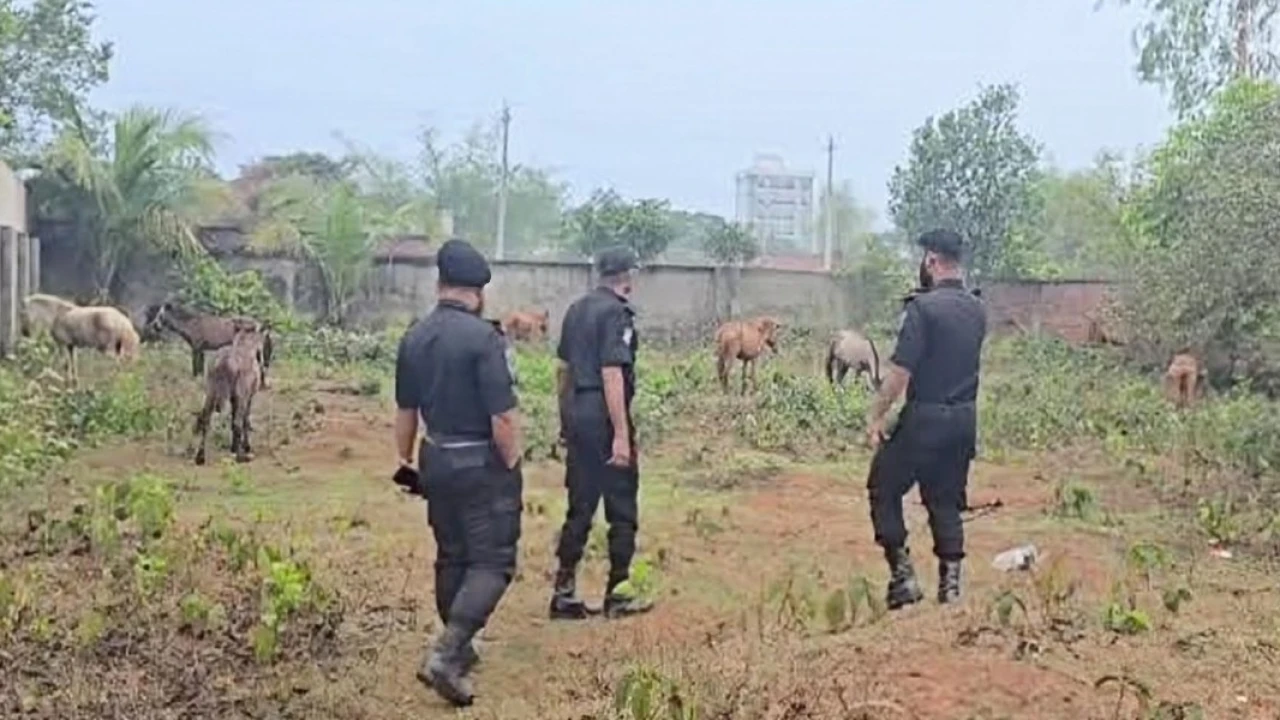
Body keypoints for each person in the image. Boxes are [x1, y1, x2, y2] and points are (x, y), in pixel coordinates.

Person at [392, 238, 523, 707]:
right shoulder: (485, 339)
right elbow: (502, 418)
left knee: (452, 555)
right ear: (479, 292)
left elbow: (406, 412)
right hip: (479, 461)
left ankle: (460, 646)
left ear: (440, 284)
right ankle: (446, 654)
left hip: (435, 456)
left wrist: (407, 461)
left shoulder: (415, 336)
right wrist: (511, 463)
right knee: (493, 560)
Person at [864, 228, 987, 610]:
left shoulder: (922, 309)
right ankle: (950, 591)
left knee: (883, 486)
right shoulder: (977, 309)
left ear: (932, 261)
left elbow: (900, 373)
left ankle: (903, 579)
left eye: (923, 260)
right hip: (965, 421)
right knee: (945, 500)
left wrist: (876, 418)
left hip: (926, 418)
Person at [548, 245, 653, 620]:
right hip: (605, 414)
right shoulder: (617, 314)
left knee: (580, 504)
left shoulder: (576, 310)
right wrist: (621, 434)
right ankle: (619, 593)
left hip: (578, 412)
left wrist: (565, 421)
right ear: (627, 276)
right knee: (621, 506)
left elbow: (563, 371)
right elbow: (612, 373)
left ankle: (563, 592)